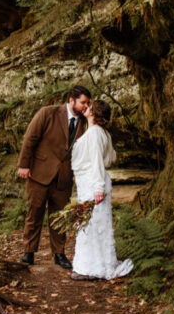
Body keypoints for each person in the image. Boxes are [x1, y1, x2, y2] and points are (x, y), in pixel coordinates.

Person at [17, 85, 91, 268]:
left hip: (63, 177)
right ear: (71, 99)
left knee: (59, 217)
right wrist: (24, 165)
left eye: (88, 103)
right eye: (83, 102)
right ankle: (28, 252)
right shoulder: (47, 113)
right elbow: (30, 138)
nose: (86, 106)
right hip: (39, 173)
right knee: (34, 213)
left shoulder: (85, 121)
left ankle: (59, 254)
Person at [70, 99, 133, 280]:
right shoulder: (103, 133)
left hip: (93, 181)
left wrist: (98, 186)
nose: (86, 107)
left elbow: (98, 160)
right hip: (92, 180)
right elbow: (111, 158)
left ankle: (90, 268)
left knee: (91, 224)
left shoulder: (96, 133)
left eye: (89, 106)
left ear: (94, 113)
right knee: (95, 224)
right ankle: (94, 265)